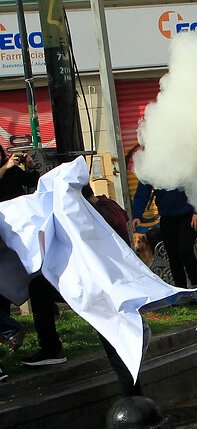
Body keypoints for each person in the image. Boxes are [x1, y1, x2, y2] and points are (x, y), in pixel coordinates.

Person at [0, 147, 67, 367]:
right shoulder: (6, 170)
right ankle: (14, 332)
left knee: (38, 289)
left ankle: (49, 345)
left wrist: (29, 167)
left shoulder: (12, 172)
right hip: (7, 239)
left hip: (22, 236)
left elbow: (34, 183)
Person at [82, 184, 143, 397]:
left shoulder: (97, 216)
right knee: (125, 350)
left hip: (110, 290)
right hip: (122, 285)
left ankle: (133, 401)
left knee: (119, 353)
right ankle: (136, 398)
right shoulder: (109, 206)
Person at [131, 182, 197, 289]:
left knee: (185, 250)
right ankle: (180, 289)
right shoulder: (150, 167)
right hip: (167, 216)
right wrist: (137, 215)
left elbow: (196, 185)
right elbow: (142, 191)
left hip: (189, 214)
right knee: (173, 254)